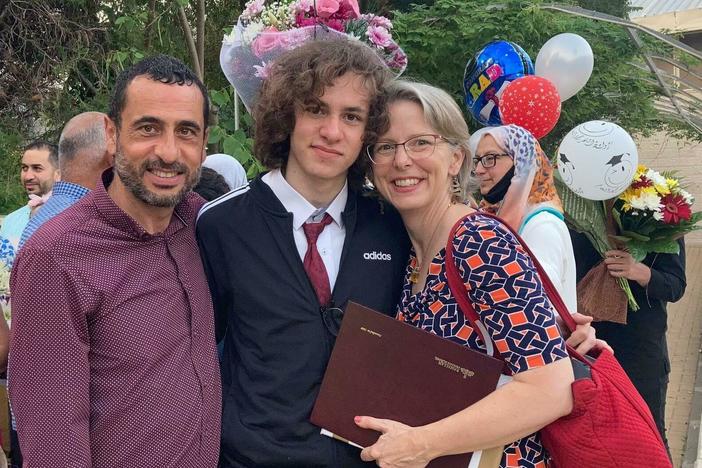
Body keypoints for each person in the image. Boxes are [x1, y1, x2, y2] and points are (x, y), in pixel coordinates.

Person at [197, 39, 410, 467]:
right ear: (287, 115)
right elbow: (195, 351)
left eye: (352, 116)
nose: (332, 132)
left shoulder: (392, 224)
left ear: (369, 131)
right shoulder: (222, 225)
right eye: (316, 109)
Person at [8, 54, 221, 467]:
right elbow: (53, 437)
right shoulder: (56, 255)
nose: (168, 152)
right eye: (148, 128)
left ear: (204, 142)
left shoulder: (202, 224)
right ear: (111, 133)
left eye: (186, 132)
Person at [355, 80, 574, 467]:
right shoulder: (409, 248)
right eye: (386, 147)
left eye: (421, 142)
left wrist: (421, 443)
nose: (402, 161)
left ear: (456, 159)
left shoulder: (479, 240)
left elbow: (550, 389)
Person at [468, 125, 606, 354]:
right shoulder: (499, 217)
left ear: (523, 162)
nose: (480, 169)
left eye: (491, 158)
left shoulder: (541, 225)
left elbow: (536, 308)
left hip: (537, 362)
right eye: (478, 160)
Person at [570, 231, 686, 450]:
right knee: (596, 440)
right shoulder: (577, 213)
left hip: (641, 348)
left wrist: (639, 272)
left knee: (650, 438)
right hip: (588, 346)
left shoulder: (661, 209)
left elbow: (676, 286)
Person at [18, 111, 114, 249]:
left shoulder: (48, 215)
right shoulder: (86, 224)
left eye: (37, 168)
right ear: (111, 157)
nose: (28, 176)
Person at [0, 141, 59, 257]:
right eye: (24, 168)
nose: (28, 176)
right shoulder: (11, 220)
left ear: (58, 173)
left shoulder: (72, 216)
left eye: (37, 168)